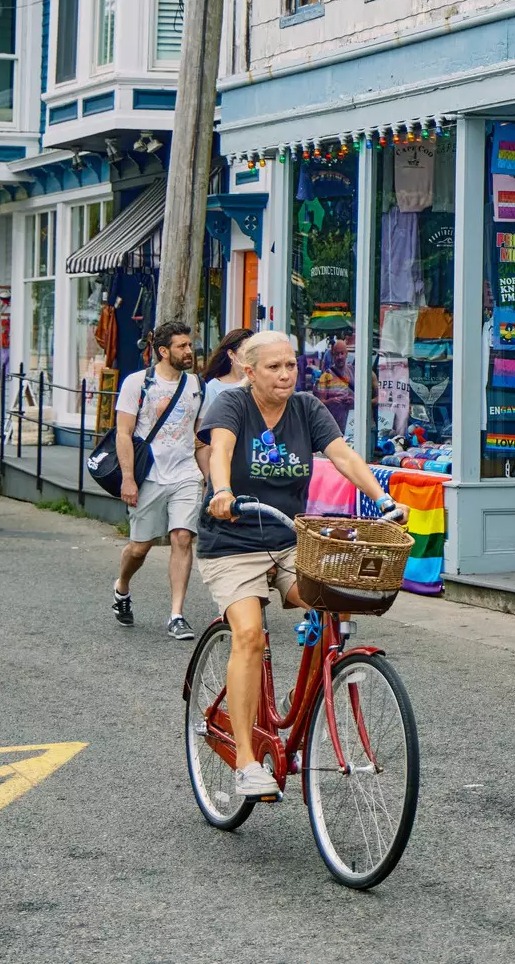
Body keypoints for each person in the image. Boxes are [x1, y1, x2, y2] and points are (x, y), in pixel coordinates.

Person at [199, 332, 396, 803]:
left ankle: (299, 705)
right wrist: (221, 491)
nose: (287, 375)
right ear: (249, 372)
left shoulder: (307, 408)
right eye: (274, 368)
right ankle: (247, 762)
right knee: (249, 633)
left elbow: (343, 455)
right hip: (233, 541)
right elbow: (221, 451)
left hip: (289, 539)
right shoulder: (231, 405)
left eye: (291, 365)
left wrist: (382, 497)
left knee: (333, 604)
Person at [111, 322, 207, 640]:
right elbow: (123, 434)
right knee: (140, 548)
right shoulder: (137, 383)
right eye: (182, 346)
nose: (189, 351)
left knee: (182, 538)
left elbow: (200, 439)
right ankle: (122, 588)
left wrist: (209, 479)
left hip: (185, 473)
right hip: (148, 474)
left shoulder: (196, 385)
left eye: (189, 345)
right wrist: (128, 479)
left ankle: (176, 614)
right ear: (164, 351)